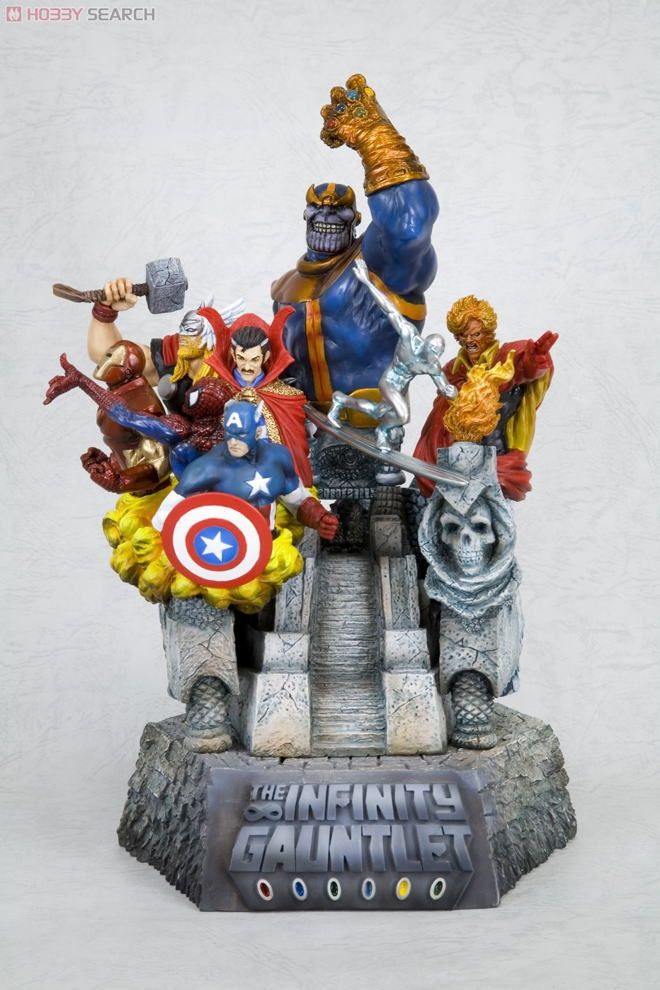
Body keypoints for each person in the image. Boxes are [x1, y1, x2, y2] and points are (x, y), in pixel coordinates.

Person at [271, 74, 439, 412]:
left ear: (357, 219)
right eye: (317, 208)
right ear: (305, 215)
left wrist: (374, 139)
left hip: (366, 425)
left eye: (339, 210)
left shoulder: (375, 267)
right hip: (297, 425)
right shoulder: (285, 287)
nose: (326, 215)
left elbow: (409, 226)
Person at [413, 295, 558, 500]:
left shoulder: (506, 357)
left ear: (488, 332)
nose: (469, 341)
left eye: (476, 334)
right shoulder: (453, 369)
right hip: (454, 452)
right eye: (462, 335)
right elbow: (443, 408)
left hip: (496, 454)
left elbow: (524, 366)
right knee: (430, 493)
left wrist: (536, 358)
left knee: (491, 503)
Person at [152, 401, 338, 539]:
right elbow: (162, 519)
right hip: (225, 551)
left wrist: (318, 517)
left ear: (258, 432)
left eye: (241, 435)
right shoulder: (208, 467)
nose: (233, 442)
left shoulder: (278, 457)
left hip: (269, 545)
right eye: (229, 434)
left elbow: (296, 499)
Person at [327, 259, 457, 450]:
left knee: (377, 411)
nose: (435, 356)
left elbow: (445, 388)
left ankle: (340, 400)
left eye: (438, 353)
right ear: (425, 345)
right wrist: (366, 281)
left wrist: (454, 394)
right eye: (433, 351)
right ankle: (382, 432)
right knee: (403, 415)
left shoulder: (432, 365)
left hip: (400, 390)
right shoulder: (408, 336)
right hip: (388, 382)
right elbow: (388, 309)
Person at [86, 278, 244, 411]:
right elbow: (109, 356)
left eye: (190, 331)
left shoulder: (241, 365)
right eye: (183, 329)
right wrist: (105, 309)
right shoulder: (173, 357)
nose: (183, 336)